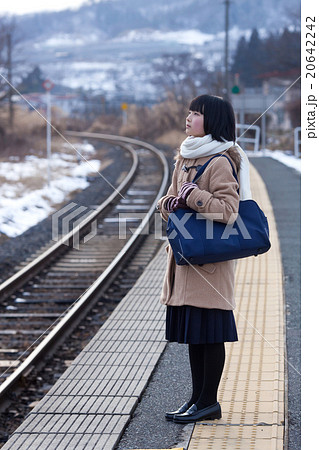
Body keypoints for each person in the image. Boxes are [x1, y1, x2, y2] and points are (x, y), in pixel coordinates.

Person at [156, 94, 251, 424]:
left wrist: (194, 196)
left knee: (209, 335)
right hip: (185, 259)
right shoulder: (184, 157)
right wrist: (169, 203)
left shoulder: (221, 161)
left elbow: (228, 211)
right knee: (195, 337)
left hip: (209, 263)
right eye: (189, 112)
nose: (188, 117)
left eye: (196, 113)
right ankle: (197, 399)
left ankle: (208, 402)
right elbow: (171, 197)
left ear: (211, 121)